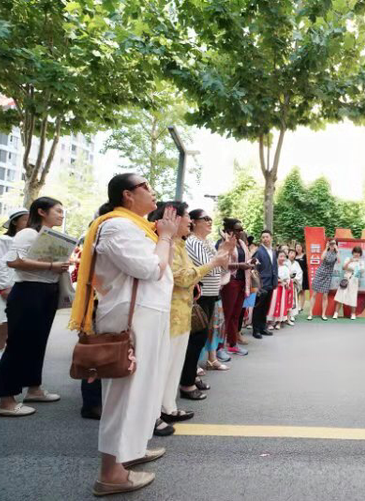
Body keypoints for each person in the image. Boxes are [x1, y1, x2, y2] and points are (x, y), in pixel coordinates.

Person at [69, 173, 176, 495]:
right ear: (127, 195)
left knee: (145, 389)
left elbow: (159, 269)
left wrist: (164, 237)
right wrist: (166, 237)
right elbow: (148, 269)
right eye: (146, 186)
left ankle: (130, 452)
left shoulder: (137, 226)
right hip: (133, 318)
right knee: (126, 394)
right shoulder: (116, 225)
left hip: (148, 314)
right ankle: (110, 473)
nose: (153, 191)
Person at [152, 202, 231, 430]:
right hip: (169, 314)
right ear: (173, 219)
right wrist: (213, 263)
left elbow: (195, 275)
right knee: (164, 366)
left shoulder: (179, 244)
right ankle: (155, 413)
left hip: (183, 312)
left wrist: (217, 260)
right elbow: (183, 277)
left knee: (175, 364)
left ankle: (168, 407)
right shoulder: (165, 244)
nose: (188, 220)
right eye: (187, 216)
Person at [0, 197, 69, 417]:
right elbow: (13, 261)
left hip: (47, 291)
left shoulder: (52, 236)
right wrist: (52, 265)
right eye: (58, 210)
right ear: (41, 211)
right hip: (28, 291)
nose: (61, 215)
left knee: (38, 343)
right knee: (18, 345)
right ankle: (6, 400)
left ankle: (34, 389)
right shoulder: (28, 233)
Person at [184, 210, 229, 373]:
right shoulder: (193, 242)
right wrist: (222, 255)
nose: (210, 222)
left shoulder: (208, 242)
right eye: (205, 219)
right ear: (194, 222)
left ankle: (194, 367)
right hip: (200, 293)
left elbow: (223, 267)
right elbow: (208, 267)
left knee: (205, 333)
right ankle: (190, 370)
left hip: (212, 292)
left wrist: (224, 251)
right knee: (196, 335)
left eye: (211, 218)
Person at [0, 209, 29, 363]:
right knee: (4, 320)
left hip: (24, 283)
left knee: (21, 321)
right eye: (25, 219)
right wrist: (3, 287)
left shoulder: (31, 239)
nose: (28, 223)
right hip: (6, 284)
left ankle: (15, 350)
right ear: (15, 222)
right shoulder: (4, 240)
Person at [217, 218, 252, 355]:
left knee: (236, 316)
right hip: (230, 282)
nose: (241, 232)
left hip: (242, 281)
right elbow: (221, 264)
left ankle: (232, 344)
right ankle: (219, 347)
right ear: (230, 230)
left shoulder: (241, 243)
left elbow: (245, 260)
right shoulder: (224, 243)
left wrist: (250, 262)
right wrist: (239, 265)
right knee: (226, 315)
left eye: (241, 229)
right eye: (238, 229)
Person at [252, 230, 278, 338]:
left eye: (267, 237)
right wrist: (257, 285)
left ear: (271, 238)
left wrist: (275, 281)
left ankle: (263, 327)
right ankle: (256, 330)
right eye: (263, 237)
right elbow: (255, 268)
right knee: (258, 307)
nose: (265, 239)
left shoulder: (273, 251)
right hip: (262, 284)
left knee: (265, 306)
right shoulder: (259, 251)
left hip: (271, 283)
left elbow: (274, 267)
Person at [308, 238, 339, 321]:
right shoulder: (326, 251)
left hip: (328, 275)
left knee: (325, 295)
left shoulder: (336, 253)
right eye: (331, 243)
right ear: (328, 244)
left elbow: (339, 261)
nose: (332, 245)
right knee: (314, 293)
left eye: (334, 243)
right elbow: (322, 258)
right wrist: (326, 248)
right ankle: (310, 313)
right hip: (320, 273)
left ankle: (323, 314)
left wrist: (337, 249)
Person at [333, 245, 364, 320]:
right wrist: (350, 261)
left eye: (358, 252)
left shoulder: (361, 262)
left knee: (353, 297)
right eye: (355, 252)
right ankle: (336, 313)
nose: (356, 254)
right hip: (346, 279)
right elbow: (343, 267)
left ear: (360, 254)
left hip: (354, 280)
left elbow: (362, 271)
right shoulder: (348, 259)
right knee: (340, 296)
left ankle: (353, 314)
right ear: (353, 253)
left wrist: (356, 270)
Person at [267, 250, 292, 328]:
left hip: (282, 289)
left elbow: (288, 278)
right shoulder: (272, 267)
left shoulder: (285, 268)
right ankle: (270, 322)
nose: (283, 258)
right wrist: (278, 280)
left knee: (281, 305)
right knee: (272, 304)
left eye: (284, 256)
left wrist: (286, 282)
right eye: (281, 256)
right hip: (274, 288)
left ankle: (279, 322)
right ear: (276, 257)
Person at [287, 249, 303, 323]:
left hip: (293, 283)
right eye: (291, 253)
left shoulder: (296, 263)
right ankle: (285, 315)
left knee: (293, 299)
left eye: (294, 253)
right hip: (286, 284)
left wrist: (295, 279)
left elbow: (300, 273)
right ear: (288, 254)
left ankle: (292, 315)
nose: (292, 255)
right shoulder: (285, 262)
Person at [295, 243, 308, 313]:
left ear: (302, 248)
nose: (298, 248)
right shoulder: (294, 256)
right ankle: (296, 306)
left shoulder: (305, 256)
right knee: (296, 291)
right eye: (297, 247)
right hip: (295, 277)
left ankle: (301, 307)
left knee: (302, 291)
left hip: (303, 276)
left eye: (299, 246)